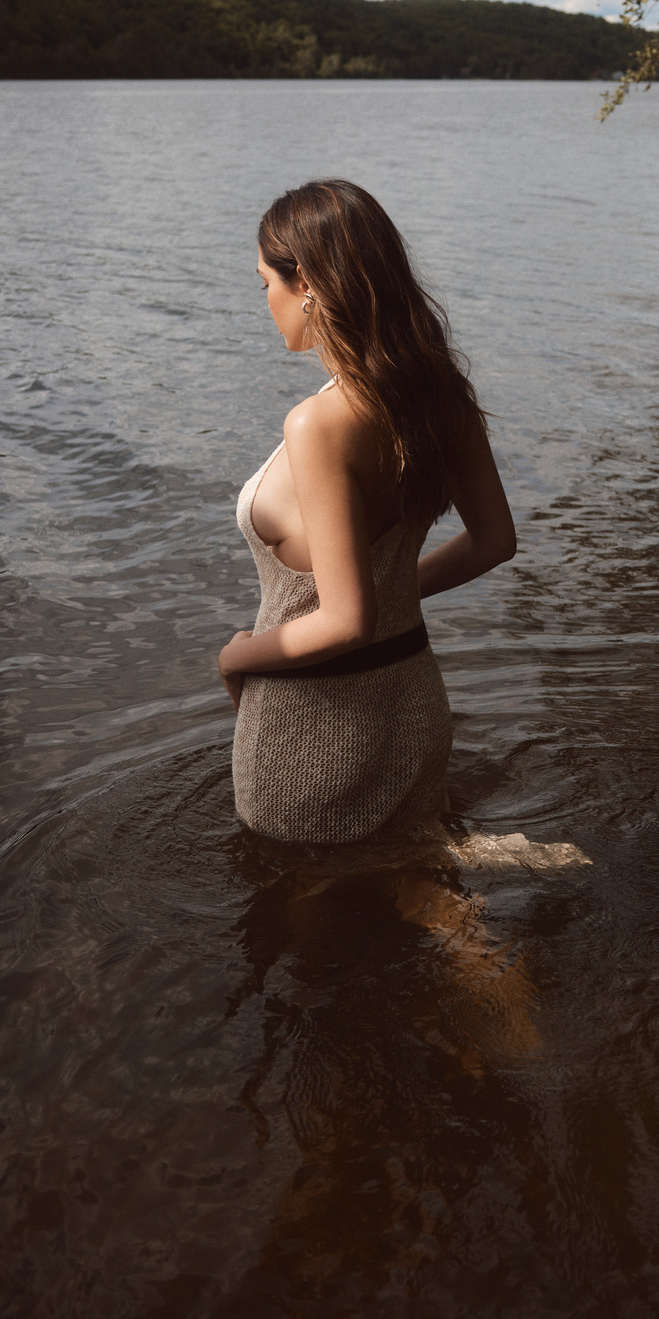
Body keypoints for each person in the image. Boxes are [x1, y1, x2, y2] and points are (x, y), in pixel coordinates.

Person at [218, 178, 516, 850]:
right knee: (422, 887)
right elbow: (495, 540)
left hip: (315, 728)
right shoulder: (441, 395)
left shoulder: (318, 424)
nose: (263, 300)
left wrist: (237, 656)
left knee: (311, 927)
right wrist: (398, 586)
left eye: (264, 281)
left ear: (310, 287)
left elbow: (345, 621)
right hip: (413, 702)